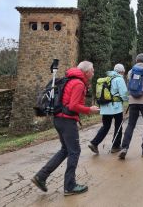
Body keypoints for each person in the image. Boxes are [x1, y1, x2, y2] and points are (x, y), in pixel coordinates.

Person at [31, 61, 100, 196]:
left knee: (65, 150)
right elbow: (73, 106)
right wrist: (89, 110)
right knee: (74, 151)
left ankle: (41, 176)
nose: (93, 72)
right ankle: (70, 186)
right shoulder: (79, 84)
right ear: (86, 72)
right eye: (92, 70)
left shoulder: (70, 80)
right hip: (67, 121)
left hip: (59, 119)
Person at [118, 53, 143, 160]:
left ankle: (124, 147)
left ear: (136, 61)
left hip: (133, 101)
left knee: (131, 124)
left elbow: (129, 86)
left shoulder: (130, 72)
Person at [88, 63, 128, 154]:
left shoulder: (107, 78)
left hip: (105, 107)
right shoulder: (119, 79)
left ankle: (94, 143)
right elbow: (124, 94)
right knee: (118, 127)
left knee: (105, 126)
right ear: (121, 72)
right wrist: (127, 99)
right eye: (123, 72)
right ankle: (116, 146)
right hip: (116, 108)